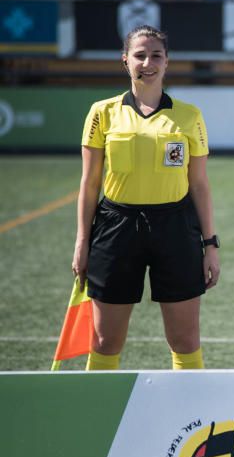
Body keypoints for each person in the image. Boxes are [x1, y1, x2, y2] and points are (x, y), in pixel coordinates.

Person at [73, 25, 219, 371]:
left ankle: (187, 417)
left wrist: (210, 244)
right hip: (115, 227)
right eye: (140, 55)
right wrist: (82, 241)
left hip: (176, 228)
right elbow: (90, 183)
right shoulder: (102, 112)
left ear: (167, 62)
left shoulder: (189, 116)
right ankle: (100, 420)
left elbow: (199, 184)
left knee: (184, 340)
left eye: (156, 55)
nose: (148, 62)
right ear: (126, 61)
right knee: (106, 341)